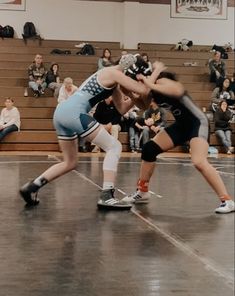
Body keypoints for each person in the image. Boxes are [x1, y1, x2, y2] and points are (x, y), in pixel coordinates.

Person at [19, 54, 150, 209]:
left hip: (62, 112)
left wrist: (134, 98)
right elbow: (143, 89)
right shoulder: (114, 73)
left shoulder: (112, 78)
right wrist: (151, 80)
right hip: (74, 112)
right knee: (114, 146)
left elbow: (122, 108)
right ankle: (107, 195)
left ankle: (32, 187)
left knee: (70, 162)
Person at [122, 61, 234, 214]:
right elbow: (143, 106)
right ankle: (142, 191)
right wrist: (130, 95)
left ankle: (227, 200)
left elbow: (178, 90)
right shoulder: (151, 88)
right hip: (181, 125)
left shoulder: (162, 81)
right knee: (149, 149)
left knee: (199, 161)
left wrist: (150, 82)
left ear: (142, 78)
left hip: (197, 122)